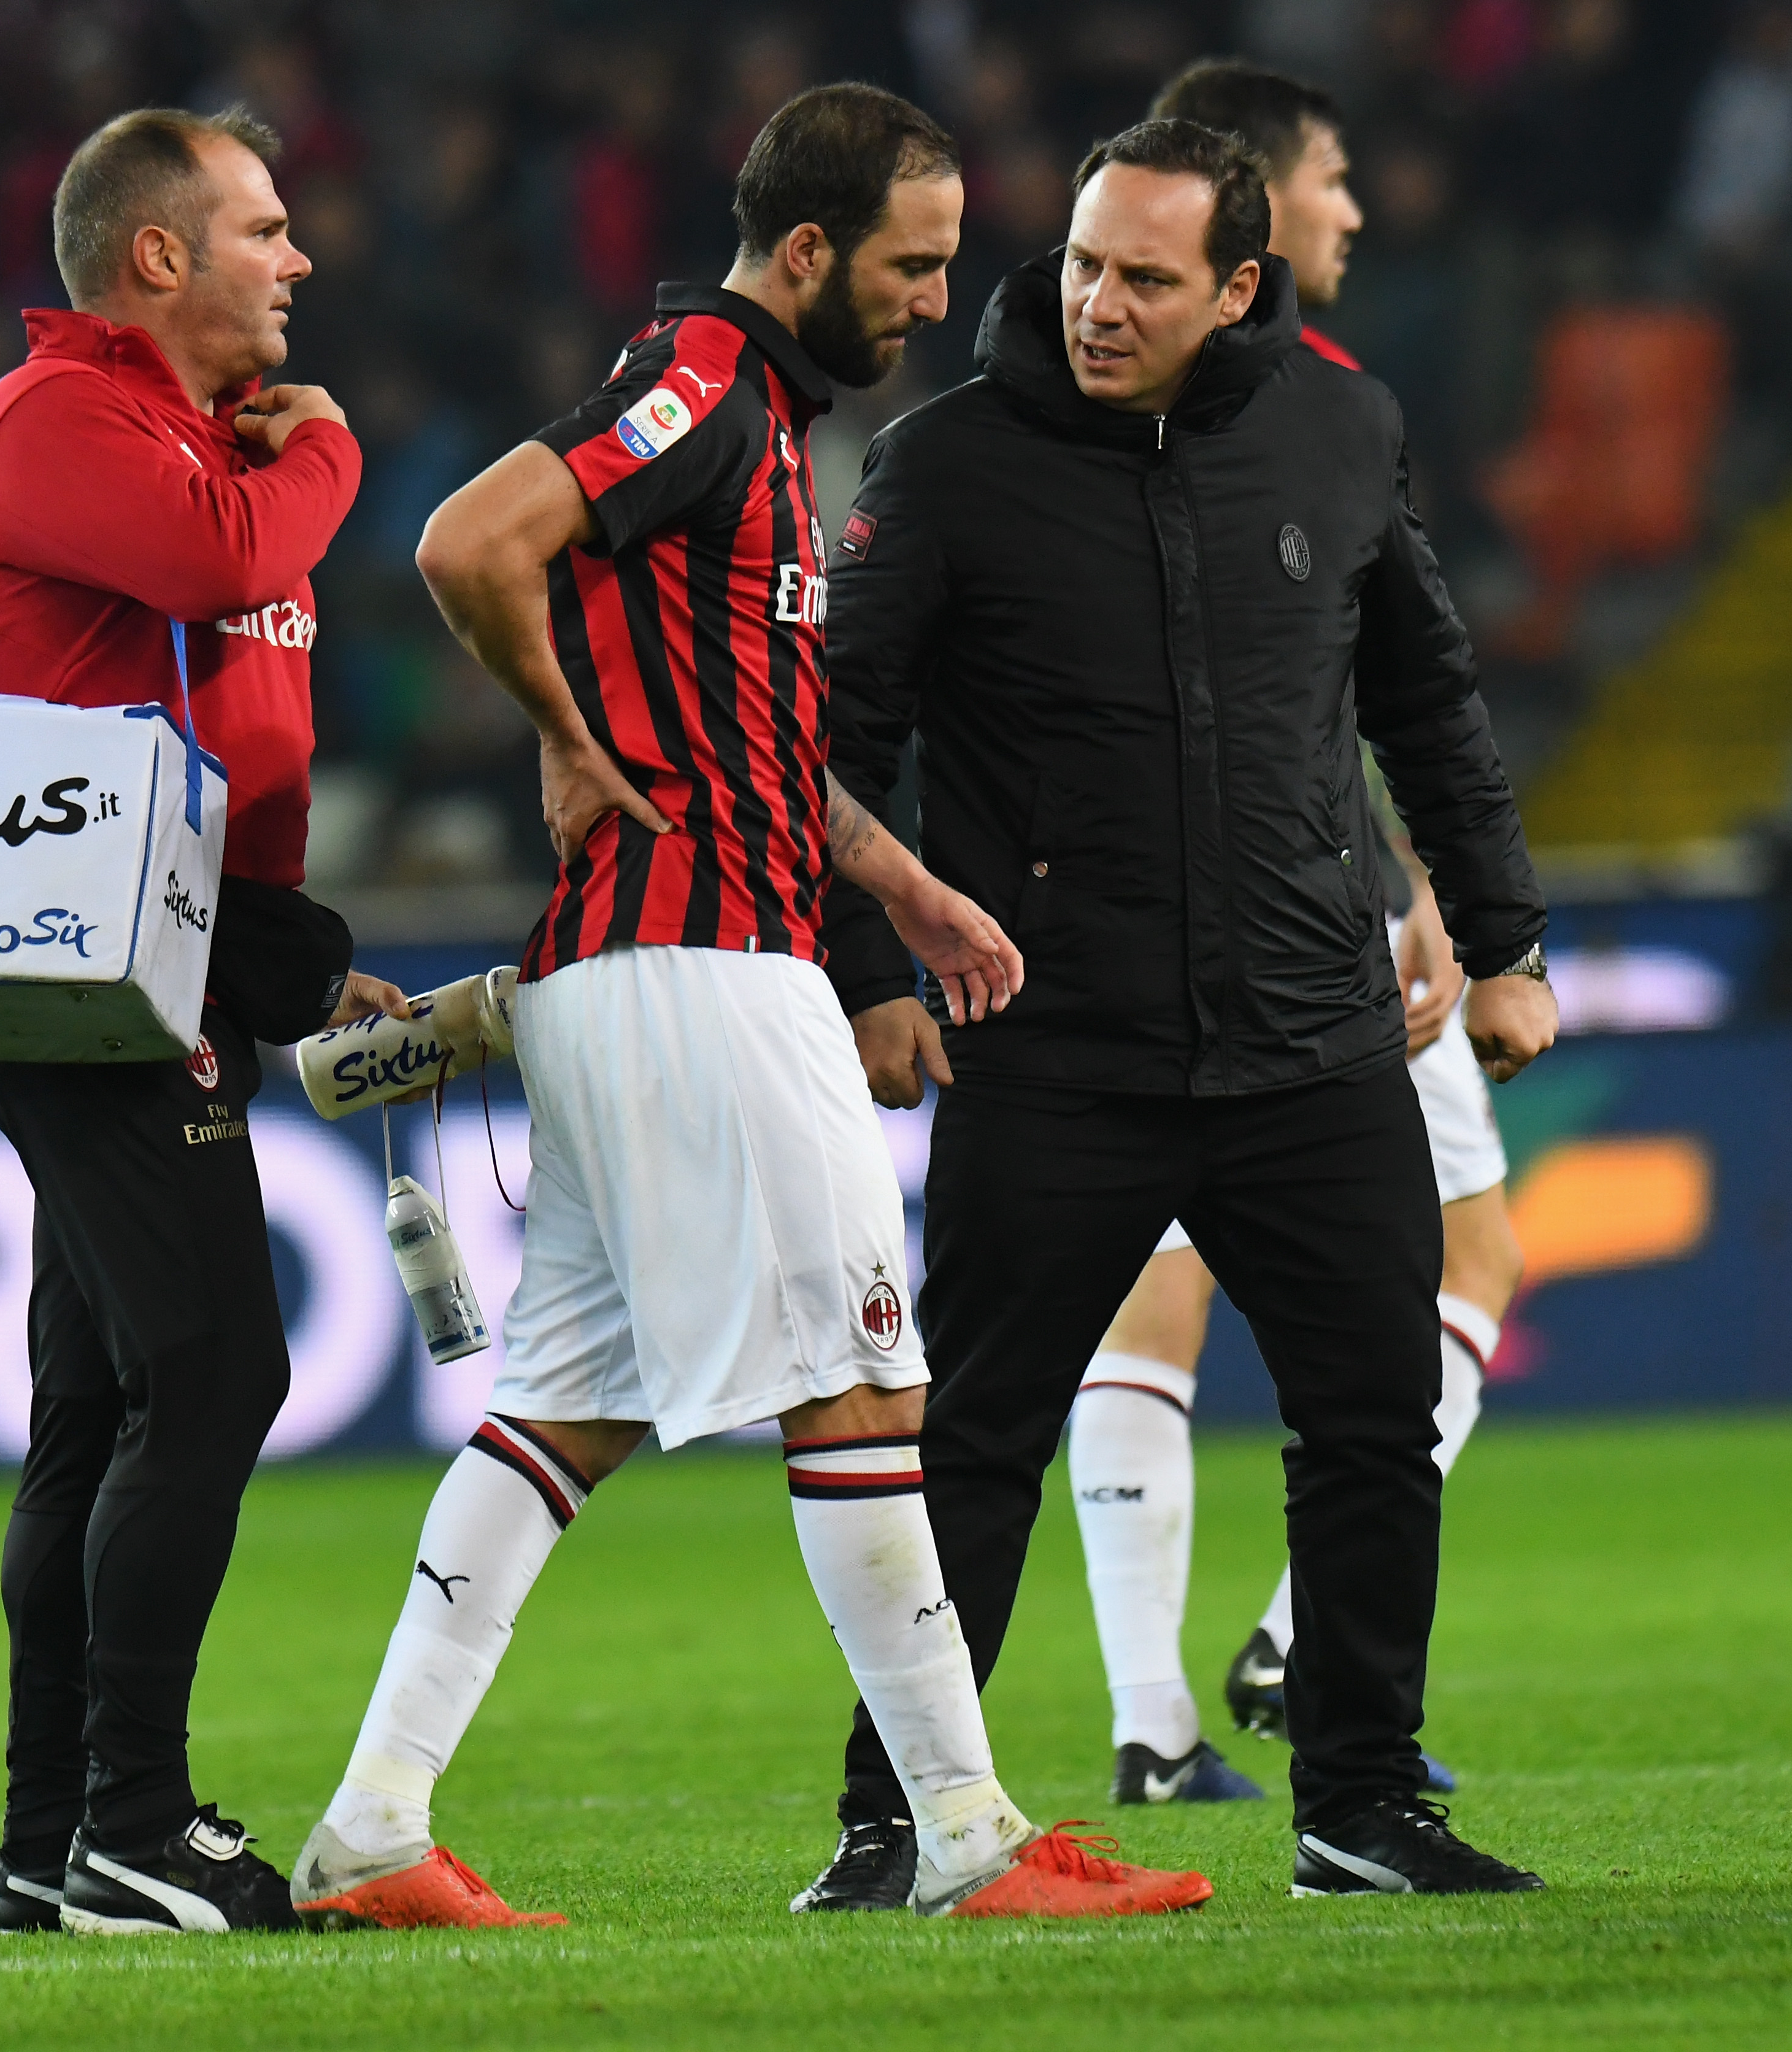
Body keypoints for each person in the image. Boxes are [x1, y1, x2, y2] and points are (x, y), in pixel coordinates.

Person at [290, 84, 1212, 1932]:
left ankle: (372, 1829)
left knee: (565, 1413)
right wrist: (561, 735)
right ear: (805, 250)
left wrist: (901, 886)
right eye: (911, 264)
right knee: (864, 1381)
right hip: (699, 969)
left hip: (652, 966)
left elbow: (750, 739)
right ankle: (964, 1834)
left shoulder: (763, 425)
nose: (936, 299)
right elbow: (468, 542)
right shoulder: (702, 385)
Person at [823, 116, 1560, 1902]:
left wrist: (1506, 938)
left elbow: (1429, 702)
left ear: (1238, 288)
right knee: (973, 1441)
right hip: (1053, 1049)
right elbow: (830, 741)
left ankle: (1359, 1810)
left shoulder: (1341, 433)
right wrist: (864, 976)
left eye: (1145, 279)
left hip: (1311, 1040)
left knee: (1374, 1424)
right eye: (1084, 262)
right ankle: (898, 1818)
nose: (1098, 302)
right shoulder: (947, 463)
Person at [0, 104, 414, 1938]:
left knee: (98, 1406)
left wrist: (290, 963)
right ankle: (136, 1822)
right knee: (217, 1370)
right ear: (159, 254)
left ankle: (46, 1836)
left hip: (175, 965)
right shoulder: (60, 418)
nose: (298, 257)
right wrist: (336, 454)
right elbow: (227, 568)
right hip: (87, 981)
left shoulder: (201, 445)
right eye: (264, 228)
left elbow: (223, 746)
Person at [1053, 58, 1531, 1808]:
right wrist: (1424, 890)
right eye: (1329, 177)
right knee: (1466, 1263)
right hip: (1313, 920)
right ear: (1256, 215)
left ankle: (1153, 1720)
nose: (1353, 208)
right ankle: (1295, 1646)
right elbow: (1374, 689)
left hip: (1142, 918)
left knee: (1151, 1291)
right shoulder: (1316, 402)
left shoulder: (1057, 417)